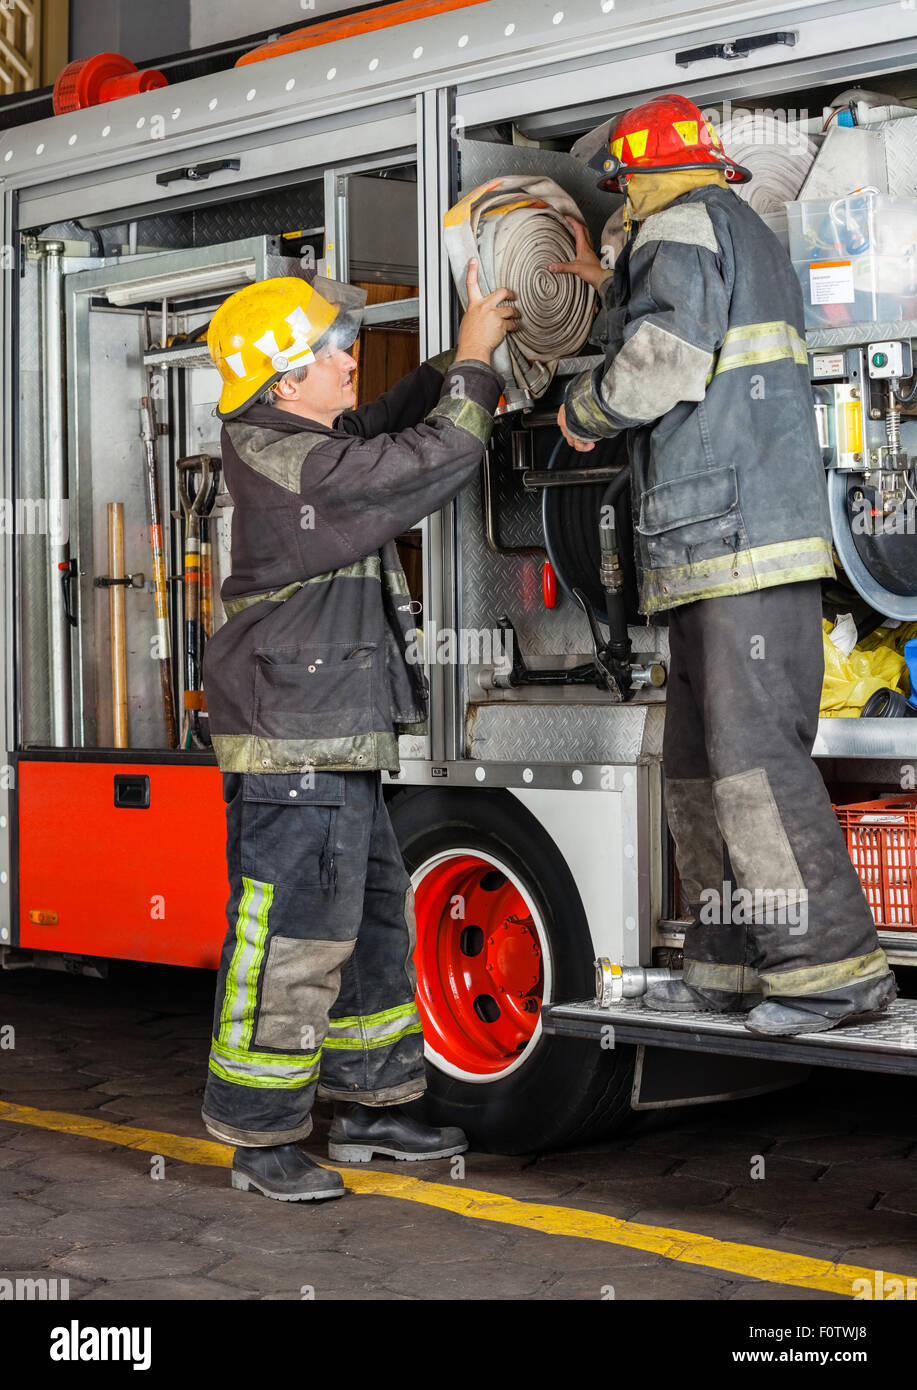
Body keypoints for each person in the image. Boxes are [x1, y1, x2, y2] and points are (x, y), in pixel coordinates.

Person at [550, 92, 896, 1037]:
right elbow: (680, 313)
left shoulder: (684, 227)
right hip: (716, 545)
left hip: (736, 541)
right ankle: (729, 962)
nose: (619, 204)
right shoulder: (718, 227)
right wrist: (613, 270)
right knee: (699, 765)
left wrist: (580, 411)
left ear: (640, 178)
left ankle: (827, 971)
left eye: (621, 189)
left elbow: (661, 358)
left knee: (749, 765)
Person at [201, 261, 517, 1199]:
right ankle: (260, 1138)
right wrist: (471, 368)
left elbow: (377, 430)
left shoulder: (299, 442)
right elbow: (431, 460)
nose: (349, 363)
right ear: (284, 380)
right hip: (294, 742)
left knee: (373, 926)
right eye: (333, 351)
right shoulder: (292, 462)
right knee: (290, 940)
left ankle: (374, 1108)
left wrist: (453, 359)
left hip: (330, 737)